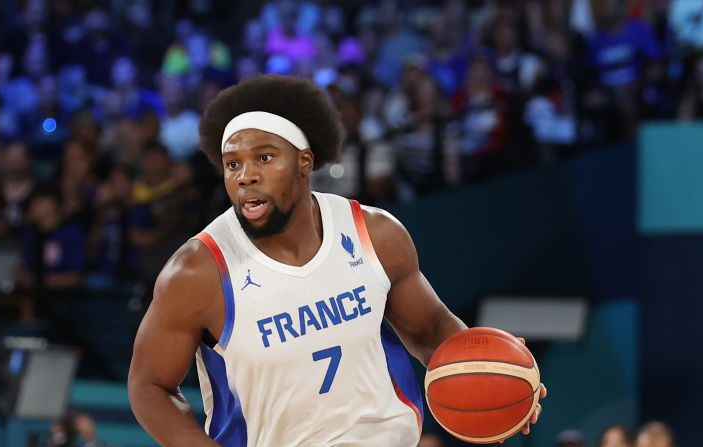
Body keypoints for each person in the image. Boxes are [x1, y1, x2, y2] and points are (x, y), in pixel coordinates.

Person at [128, 74, 547, 446]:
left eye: (265, 158)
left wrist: (493, 370)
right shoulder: (198, 270)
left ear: (305, 161)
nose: (245, 175)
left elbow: (431, 328)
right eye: (232, 164)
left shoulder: (375, 234)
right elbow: (149, 386)